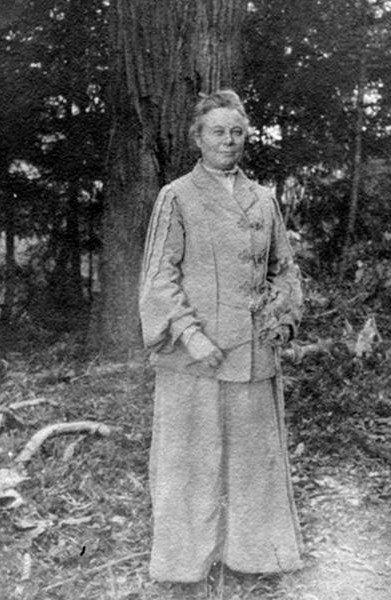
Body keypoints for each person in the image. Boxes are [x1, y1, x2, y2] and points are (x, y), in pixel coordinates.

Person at [139, 89, 303, 584]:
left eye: (236, 132)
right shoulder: (177, 197)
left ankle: (255, 560)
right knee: (190, 461)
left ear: (244, 137)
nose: (227, 141)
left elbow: (285, 271)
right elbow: (158, 278)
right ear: (198, 138)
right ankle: (183, 571)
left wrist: (283, 316)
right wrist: (191, 335)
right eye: (217, 132)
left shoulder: (263, 199)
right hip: (197, 359)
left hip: (253, 356)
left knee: (254, 463)